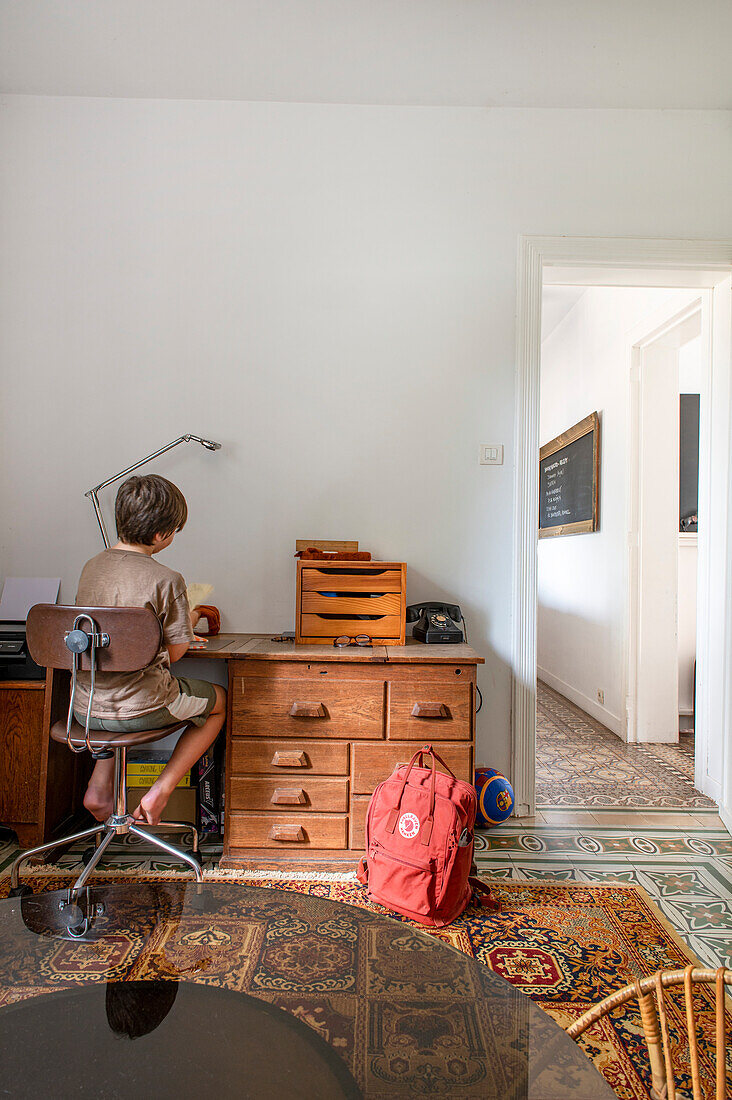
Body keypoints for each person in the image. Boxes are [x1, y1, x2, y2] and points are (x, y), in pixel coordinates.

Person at [74, 474, 226, 826]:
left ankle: (99, 787)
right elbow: (174, 654)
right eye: (175, 530)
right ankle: (161, 790)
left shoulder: (90, 568)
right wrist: (188, 622)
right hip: (141, 707)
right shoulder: (166, 578)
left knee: (118, 690)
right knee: (219, 702)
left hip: (84, 710)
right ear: (160, 536)